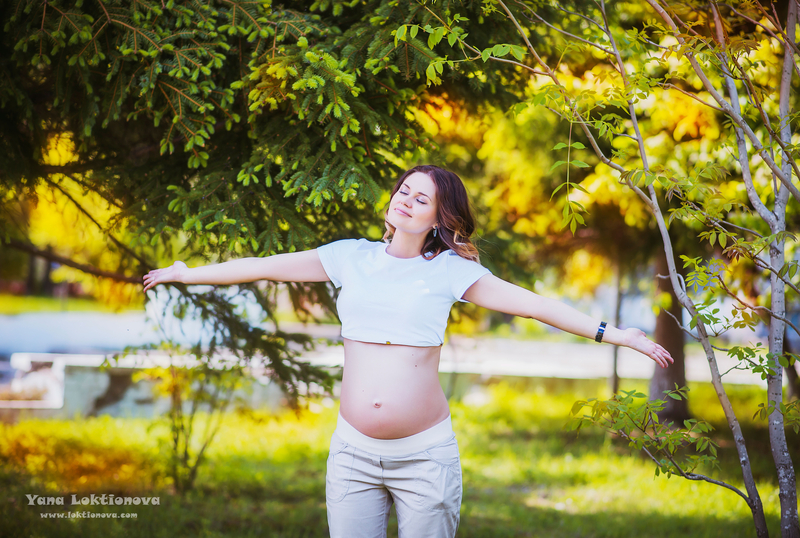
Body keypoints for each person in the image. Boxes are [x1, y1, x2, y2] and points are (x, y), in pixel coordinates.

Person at [142, 164, 673, 538]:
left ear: (441, 218)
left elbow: (533, 305)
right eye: (404, 190)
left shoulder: (452, 272)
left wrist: (614, 334)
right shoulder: (349, 257)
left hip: (424, 458)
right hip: (351, 455)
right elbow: (264, 266)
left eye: (422, 198)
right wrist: (188, 274)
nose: (406, 200)